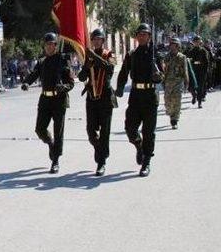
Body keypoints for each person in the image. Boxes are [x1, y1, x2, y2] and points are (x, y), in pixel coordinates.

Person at [21, 33, 74, 174]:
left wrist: (63, 87)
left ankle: (55, 160)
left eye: (52, 44)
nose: (50, 47)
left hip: (59, 99)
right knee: (39, 129)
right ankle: (50, 144)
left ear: (56, 46)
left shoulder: (63, 60)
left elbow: (71, 83)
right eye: (47, 44)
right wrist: (26, 82)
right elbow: (34, 74)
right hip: (45, 99)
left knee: (58, 131)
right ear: (44, 46)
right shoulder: (42, 61)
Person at [115, 23, 164, 177]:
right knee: (130, 128)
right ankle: (139, 146)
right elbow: (123, 73)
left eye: (145, 34)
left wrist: (158, 77)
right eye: (140, 34)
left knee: (149, 132)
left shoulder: (156, 54)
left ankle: (146, 162)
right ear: (136, 37)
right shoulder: (132, 54)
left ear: (149, 36)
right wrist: (120, 88)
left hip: (150, 95)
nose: (142, 37)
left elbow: (162, 74)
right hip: (135, 95)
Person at [77, 28, 116, 176]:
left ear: (103, 41)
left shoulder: (109, 54)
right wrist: (86, 65)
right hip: (92, 98)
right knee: (91, 131)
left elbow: (109, 68)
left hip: (105, 98)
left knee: (105, 131)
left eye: (99, 39)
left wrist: (95, 57)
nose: (96, 41)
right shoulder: (89, 57)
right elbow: (81, 77)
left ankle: (101, 162)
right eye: (94, 39)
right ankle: (99, 149)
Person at [162, 37, 189, 129]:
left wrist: (186, 82)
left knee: (177, 101)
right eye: (171, 45)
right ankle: (171, 113)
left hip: (178, 82)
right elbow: (163, 70)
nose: (172, 46)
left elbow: (185, 70)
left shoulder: (182, 57)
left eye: (174, 45)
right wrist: (162, 81)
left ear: (178, 46)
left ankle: (174, 120)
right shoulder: (166, 57)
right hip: (168, 82)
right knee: (167, 101)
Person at [189, 35, 209, 109]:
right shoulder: (191, 51)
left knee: (200, 88)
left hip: (201, 72)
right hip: (193, 72)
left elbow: (206, 62)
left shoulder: (203, 51)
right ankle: (194, 95)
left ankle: (199, 102)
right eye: (195, 41)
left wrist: (205, 72)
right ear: (193, 42)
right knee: (191, 87)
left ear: (200, 42)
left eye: (198, 41)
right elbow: (189, 61)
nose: (197, 43)